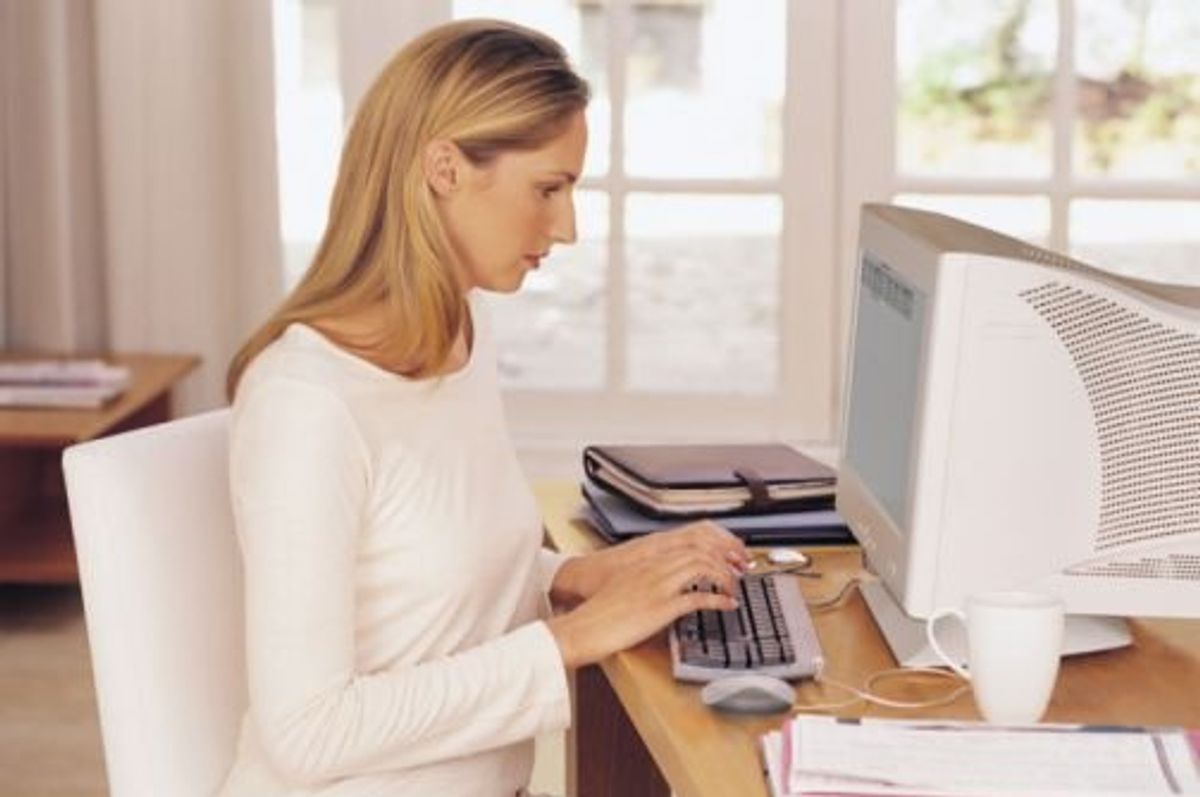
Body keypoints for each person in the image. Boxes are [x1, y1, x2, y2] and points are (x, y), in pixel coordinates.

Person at [219, 18, 749, 797]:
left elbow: (424, 576)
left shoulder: (457, 334)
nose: (566, 228)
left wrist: (581, 576)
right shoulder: (306, 403)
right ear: (444, 168)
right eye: (549, 188)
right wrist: (572, 637)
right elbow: (307, 732)